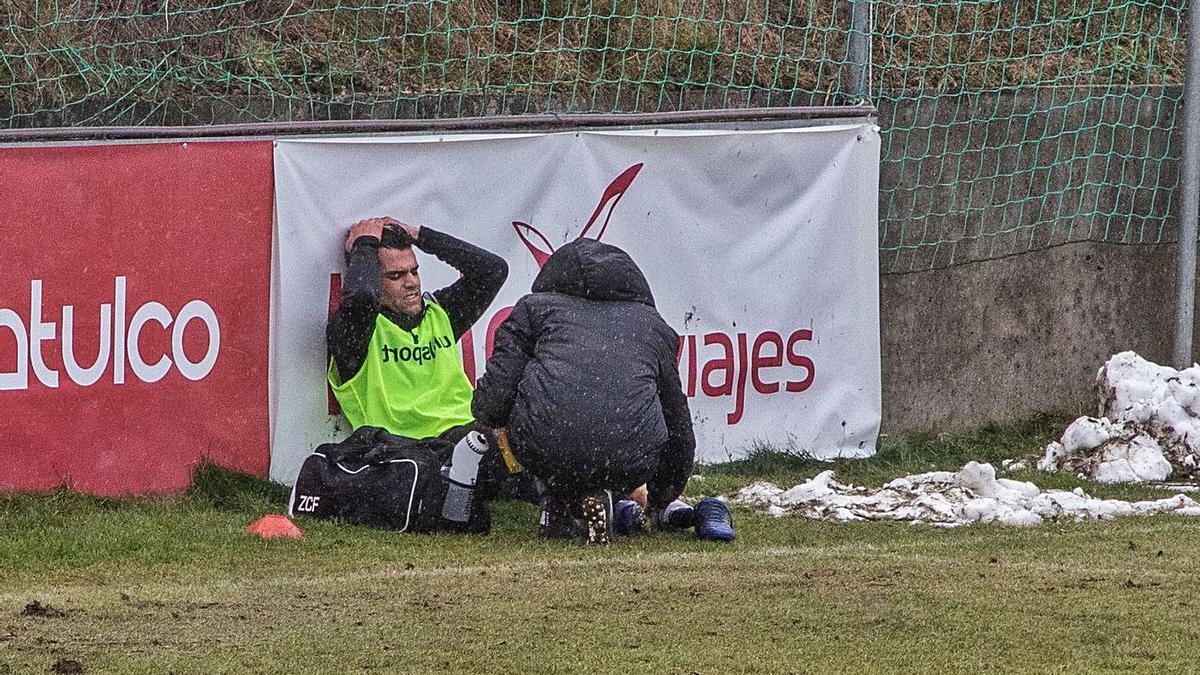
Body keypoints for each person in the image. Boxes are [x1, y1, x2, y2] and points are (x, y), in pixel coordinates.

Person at [471, 238, 735, 544]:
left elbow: (494, 399)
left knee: (536, 424)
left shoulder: (533, 310)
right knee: (575, 431)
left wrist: (493, 419)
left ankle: (558, 500)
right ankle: (596, 496)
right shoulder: (653, 326)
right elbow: (677, 423)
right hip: (630, 456)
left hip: (547, 445)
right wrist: (661, 495)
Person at [326, 216, 514, 492]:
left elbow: (493, 270)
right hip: (402, 450)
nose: (412, 283)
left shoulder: (439, 313)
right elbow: (361, 299)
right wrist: (364, 244)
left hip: (466, 439)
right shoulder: (355, 331)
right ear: (373, 280)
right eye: (396, 276)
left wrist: (422, 236)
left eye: (414, 271)